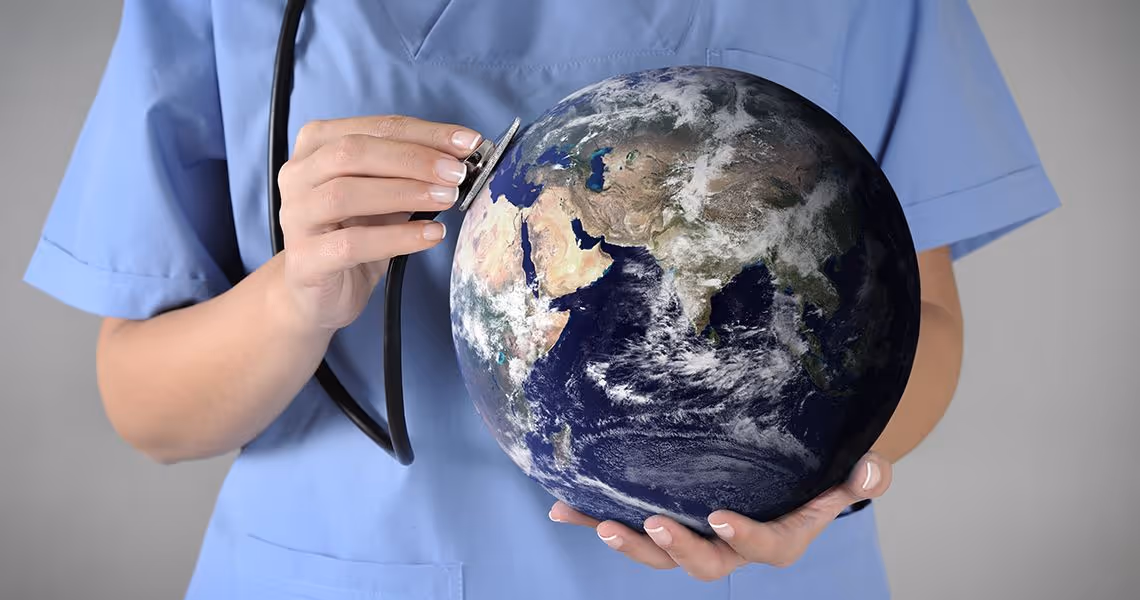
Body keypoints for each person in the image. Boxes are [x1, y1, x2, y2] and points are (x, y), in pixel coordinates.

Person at [23, 1, 1060, 598]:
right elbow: (146, 407)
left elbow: (921, 323)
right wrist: (297, 295)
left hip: (752, 573)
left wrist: (828, 480)